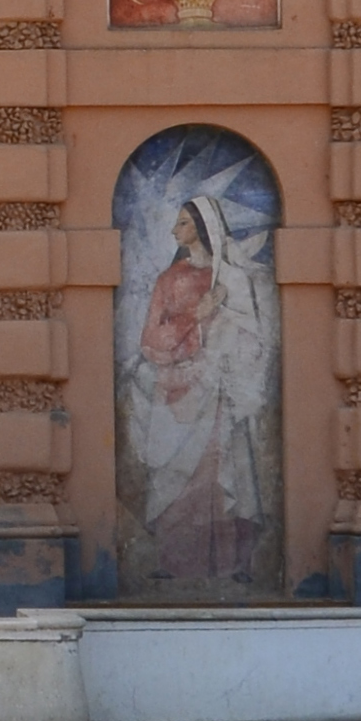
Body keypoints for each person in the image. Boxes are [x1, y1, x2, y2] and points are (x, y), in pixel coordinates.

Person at [130, 192, 271, 585]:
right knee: (176, 478)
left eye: (183, 223)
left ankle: (230, 566)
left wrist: (222, 322)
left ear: (203, 229)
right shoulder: (169, 280)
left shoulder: (230, 279)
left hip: (220, 391)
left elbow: (252, 336)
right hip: (179, 392)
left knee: (223, 475)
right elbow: (150, 339)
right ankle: (175, 564)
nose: (175, 230)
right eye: (176, 223)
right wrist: (197, 315)